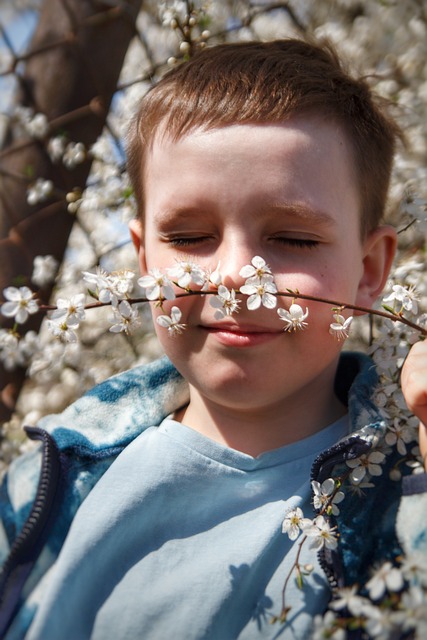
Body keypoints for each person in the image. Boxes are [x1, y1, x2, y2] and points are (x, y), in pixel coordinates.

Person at [0, 38, 426, 640]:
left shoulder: (406, 499)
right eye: (189, 235)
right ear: (143, 259)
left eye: (295, 239)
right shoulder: (56, 468)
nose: (232, 276)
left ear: (371, 270)